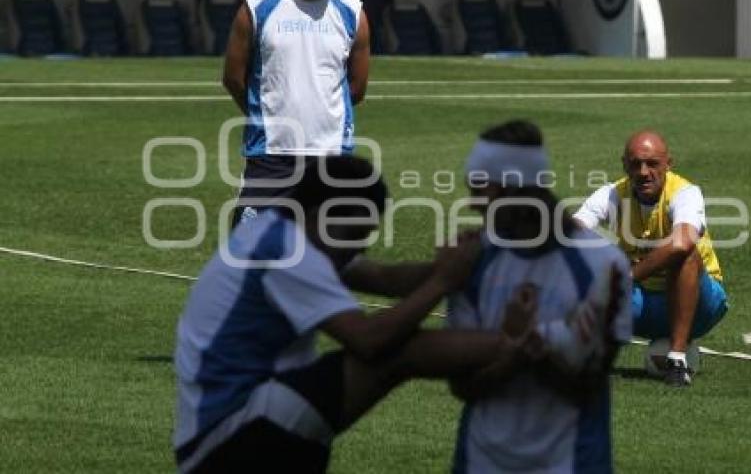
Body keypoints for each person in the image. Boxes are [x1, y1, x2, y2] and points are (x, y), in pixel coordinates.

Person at [173, 155, 535, 474]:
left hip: (232, 428)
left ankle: (530, 344)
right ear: (320, 215)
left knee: (398, 347)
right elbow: (369, 341)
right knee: (397, 352)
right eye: (355, 233)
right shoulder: (288, 252)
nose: (360, 245)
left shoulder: (279, 231)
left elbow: (384, 277)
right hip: (232, 433)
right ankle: (539, 345)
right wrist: (443, 280)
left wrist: (472, 261)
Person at [446, 120, 632, 473]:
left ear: (512, 190)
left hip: (572, 462)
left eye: (480, 191)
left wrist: (527, 345)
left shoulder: (602, 266)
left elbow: (587, 386)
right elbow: (464, 386)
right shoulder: (470, 261)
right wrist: (523, 346)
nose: (472, 204)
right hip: (482, 462)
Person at [222, 0, 370, 226]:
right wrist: (266, 117)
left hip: (332, 153)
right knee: (248, 248)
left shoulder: (351, 12)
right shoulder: (258, 6)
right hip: (272, 153)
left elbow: (356, 88)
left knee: (328, 249)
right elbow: (234, 78)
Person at [573, 130, 728, 387]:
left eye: (652, 164)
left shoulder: (686, 193)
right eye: (635, 164)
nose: (644, 172)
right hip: (642, 304)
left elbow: (683, 241)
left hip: (700, 304)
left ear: (668, 164)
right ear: (624, 165)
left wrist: (627, 275)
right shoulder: (611, 194)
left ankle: (677, 360)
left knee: (684, 252)